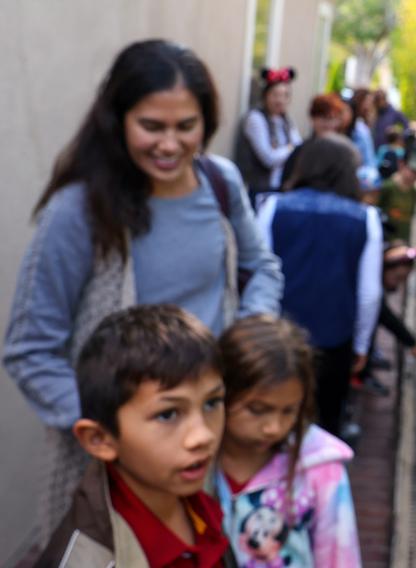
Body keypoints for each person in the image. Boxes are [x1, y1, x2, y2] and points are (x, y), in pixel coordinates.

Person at [3, 39, 283, 546]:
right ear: (118, 121)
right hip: (115, 475)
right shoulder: (78, 212)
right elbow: (29, 350)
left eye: (186, 126)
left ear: (208, 122)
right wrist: (118, 435)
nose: (170, 144)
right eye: (151, 126)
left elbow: (261, 266)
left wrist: (247, 336)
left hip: (206, 452)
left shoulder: (220, 183)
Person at [37, 305, 233, 566]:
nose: (203, 436)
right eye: (168, 414)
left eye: (212, 403)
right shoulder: (88, 558)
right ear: (100, 439)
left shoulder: (198, 499)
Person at [257, 135, 382, 435]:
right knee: (324, 425)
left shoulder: (273, 207)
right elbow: (369, 294)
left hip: (277, 337)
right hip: (334, 340)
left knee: (270, 422)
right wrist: (362, 345)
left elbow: (257, 273)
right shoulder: (366, 219)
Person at [214, 315, 361, 566]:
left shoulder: (321, 467)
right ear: (222, 393)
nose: (274, 428)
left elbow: (339, 555)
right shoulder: (196, 460)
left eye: (289, 411)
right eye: (258, 410)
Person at [356, 241, 416, 394]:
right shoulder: (368, 288)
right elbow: (389, 320)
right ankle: (358, 375)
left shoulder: (372, 274)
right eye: (397, 277)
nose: (398, 284)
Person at [235, 67, 302, 203]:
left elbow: (299, 147)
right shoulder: (255, 118)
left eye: (285, 95)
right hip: (260, 188)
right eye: (275, 95)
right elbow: (268, 158)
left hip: (281, 186)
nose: (280, 100)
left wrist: (288, 149)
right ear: (265, 96)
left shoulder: (286, 121)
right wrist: (289, 148)